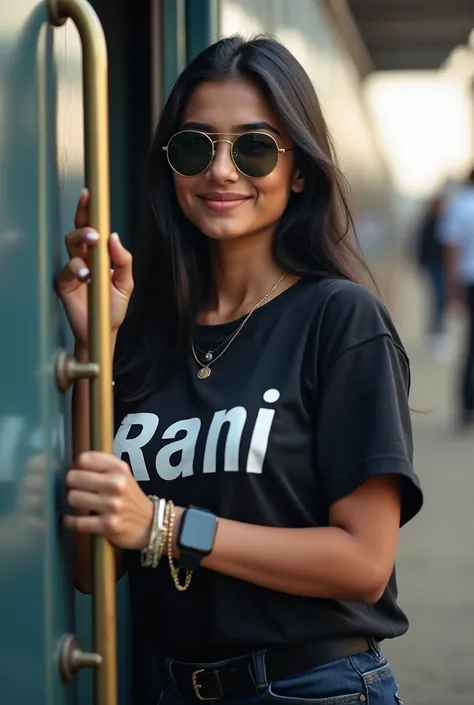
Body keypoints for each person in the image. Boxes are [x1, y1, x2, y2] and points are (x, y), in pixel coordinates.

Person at [57, 35, 423, 705]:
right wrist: (97, 350)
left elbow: (364, 564)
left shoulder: (341, 321)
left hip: (312, 688)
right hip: (170, 689)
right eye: (196, 146)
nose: (221, 171)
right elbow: (89, 566)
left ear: (300, 169)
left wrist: (167, 527)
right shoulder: (143, 333)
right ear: (171, 166)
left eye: (253, 147)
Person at [438, 167, 474, 427]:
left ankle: (466, 405)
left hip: (468, 280)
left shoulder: (460, 206)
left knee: (470, 345)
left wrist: (452, 286)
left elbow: (451, 248)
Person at [415, 193, 449, 356]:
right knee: (439, 299)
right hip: (434, 267)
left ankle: (437, 334)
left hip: (441, 267)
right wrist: (422, 265)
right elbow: (422, 247)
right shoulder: (429, 224)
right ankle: (435, 336)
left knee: (440, 300)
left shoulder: (444, 222)